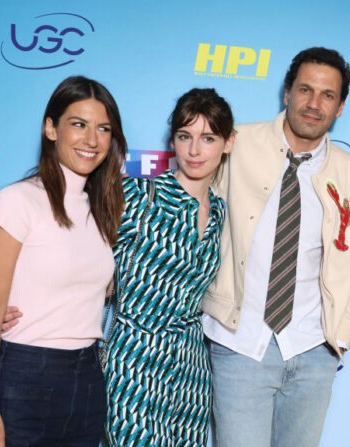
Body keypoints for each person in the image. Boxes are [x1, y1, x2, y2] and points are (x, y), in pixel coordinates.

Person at [201, 47, 350, 447]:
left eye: (327, 95)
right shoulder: (235, 144)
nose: (314, 104)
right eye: (305, 90)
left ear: (341, 105)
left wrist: (340, 339)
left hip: (313, 351)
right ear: (286, 93)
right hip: (239, 344)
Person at [0, 76, 126, 447]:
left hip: (88, 378)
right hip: (25, 375)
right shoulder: (16, 202)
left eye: (103, 128)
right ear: (50, 129)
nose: (92, 140)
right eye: (78, 124)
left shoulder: (104, 211)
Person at [101, 88, 234, 446]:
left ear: (228, 143)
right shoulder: (139, 198)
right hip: (135, 359)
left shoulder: (221, 212)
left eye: (208, 138)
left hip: (191, 367)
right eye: (184, 136)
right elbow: (83, 263)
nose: (194, 150)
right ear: (172, 140)